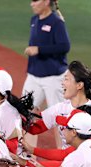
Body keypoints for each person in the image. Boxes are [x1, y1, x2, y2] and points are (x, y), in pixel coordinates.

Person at [22, 0, 70, 148]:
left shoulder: (56, 22)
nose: (32, 4)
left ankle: (65, 156)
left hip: (54, 78)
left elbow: (65, 46)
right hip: (34, 76)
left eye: (36, 1)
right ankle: (27, 155)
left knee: (59, 118)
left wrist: (39, 50)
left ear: (47, 2)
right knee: (25, 113)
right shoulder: (34, 20)